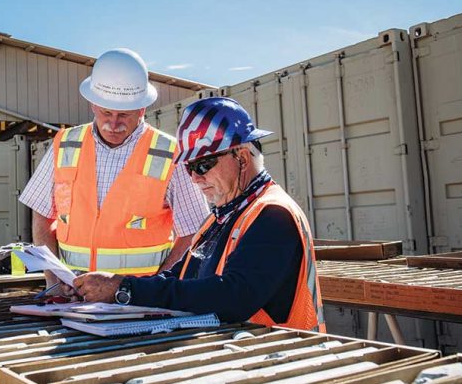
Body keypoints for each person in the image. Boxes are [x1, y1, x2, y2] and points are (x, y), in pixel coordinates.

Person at [73, 97, 326, 331]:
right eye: (189, 167)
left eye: (203, 164)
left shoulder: (273, 215)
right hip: (244, 355)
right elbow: (179, 277)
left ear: (242, 156)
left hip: (284, 361)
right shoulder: (224, 216)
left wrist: (125, 289)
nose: (194, 178)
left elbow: (234, 297)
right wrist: (116, 287)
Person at [19, 48, 209, 288]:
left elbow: (194, 232)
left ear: (142, 109)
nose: (113, 124)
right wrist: (54, 280)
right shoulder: (65, 144)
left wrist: (158, 287)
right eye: (106, 112)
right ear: (93, 104)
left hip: (137, 300)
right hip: (73, 297)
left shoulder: (170, 153)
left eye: (124, 115)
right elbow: (42, 214)